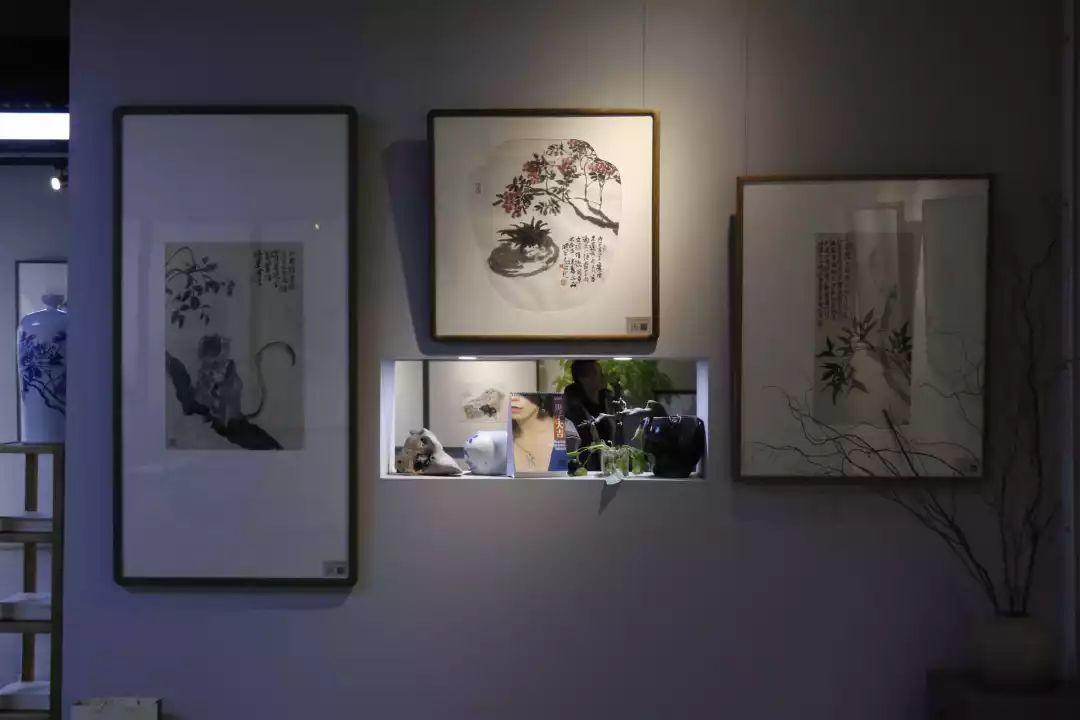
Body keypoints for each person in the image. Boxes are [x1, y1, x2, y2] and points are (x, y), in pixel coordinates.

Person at [563, 360, 616, 458]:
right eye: (596, 373)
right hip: (585, 464)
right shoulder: (572, 410)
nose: (602, 377)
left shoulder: (609, 402)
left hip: (609, 462)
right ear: (583, 379)